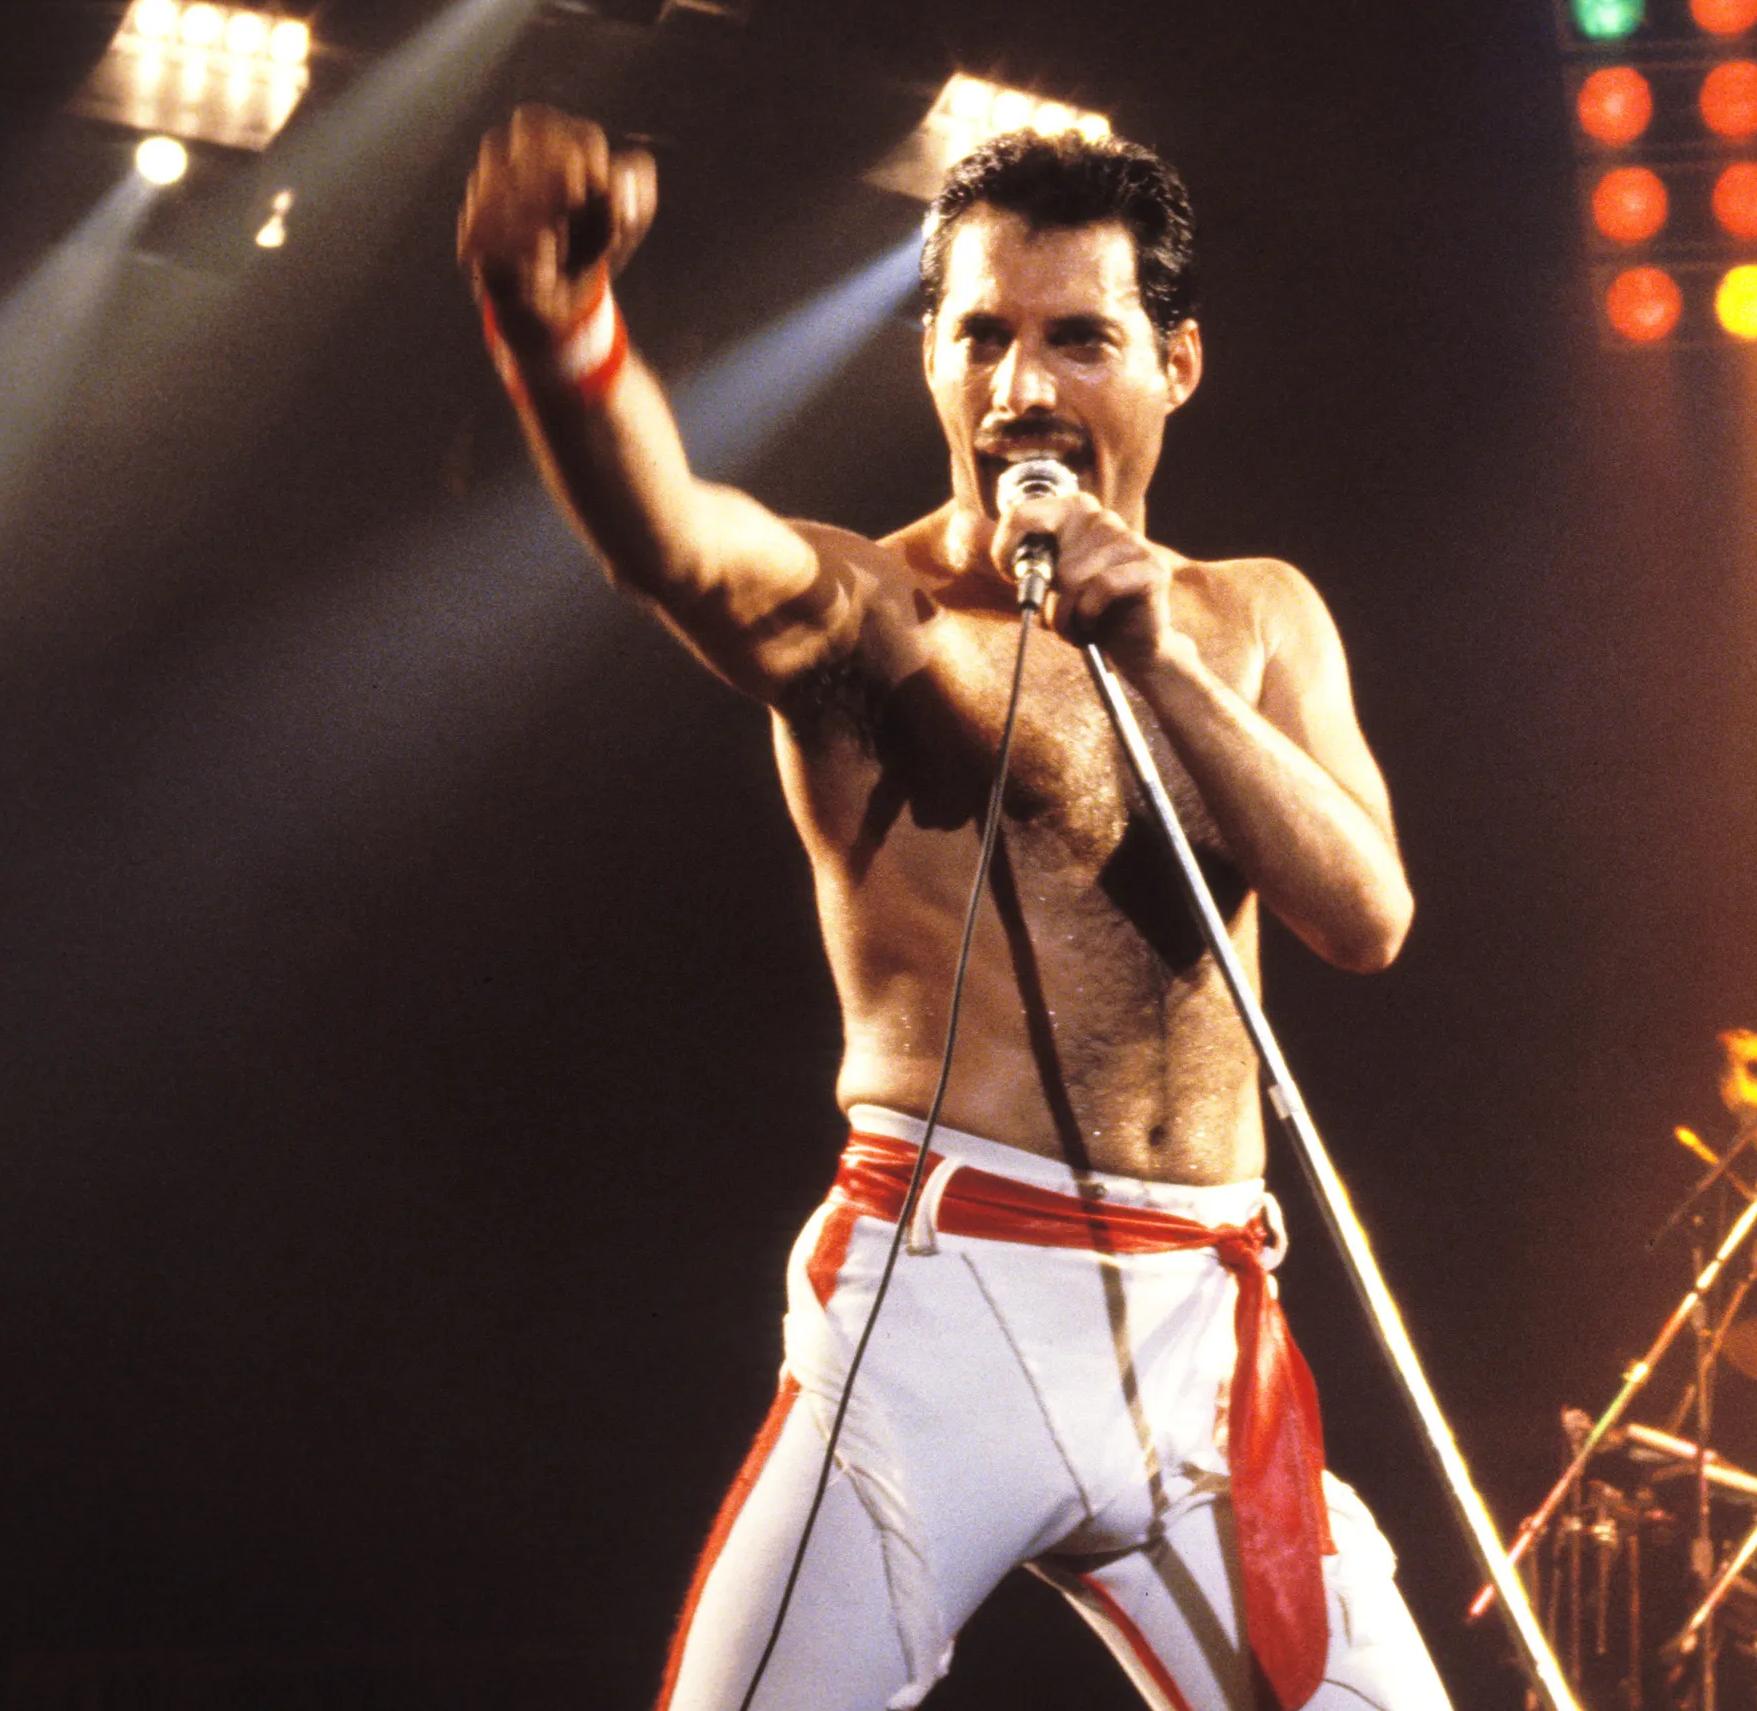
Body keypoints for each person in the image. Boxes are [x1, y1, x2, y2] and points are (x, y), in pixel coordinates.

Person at [455, 107, 1450, 1711]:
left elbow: (1366, 913)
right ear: (929, 352)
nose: (1022, 389)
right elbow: (677, 544)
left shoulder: (1259, 617)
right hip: (947, 1296)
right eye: (981, 335)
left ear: (1175, 364)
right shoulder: (882, 614)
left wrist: (1159, 659)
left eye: (1078, 338)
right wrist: (557, 329)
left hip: (1203, 1324)